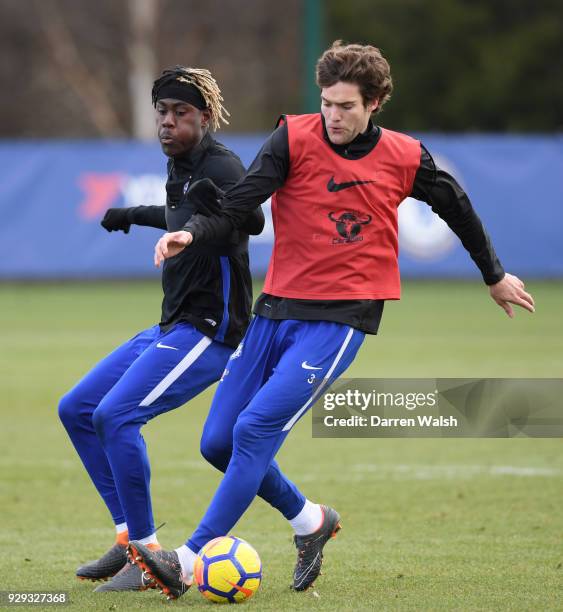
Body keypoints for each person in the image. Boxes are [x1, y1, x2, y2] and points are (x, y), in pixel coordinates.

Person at [128, 42, 535, 599]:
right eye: (327, 103)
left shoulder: (403, 155)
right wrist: (190, 232)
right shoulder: (292, 137)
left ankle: (189, 557)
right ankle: (311, 522)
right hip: (274, 311)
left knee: (253, 430)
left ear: (375, 104)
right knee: (218, 442)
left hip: (340, 320)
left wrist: (493, 273)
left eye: (346, 106)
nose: (333, 116)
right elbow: (242, 201)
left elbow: (455, 205)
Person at [58, 66, 264, 592]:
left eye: (181, 114)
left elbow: (247, 220)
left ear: (205, 117)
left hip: (210, 330)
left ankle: (151, 560)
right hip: (173, 324)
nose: (168, 124)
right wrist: (134, 213)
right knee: (78, 409)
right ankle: (130, 540)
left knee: (116, 416)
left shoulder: (221, 165)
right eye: (162, 114)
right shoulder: (181, 165)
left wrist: (192, 233)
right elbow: (181, 211)